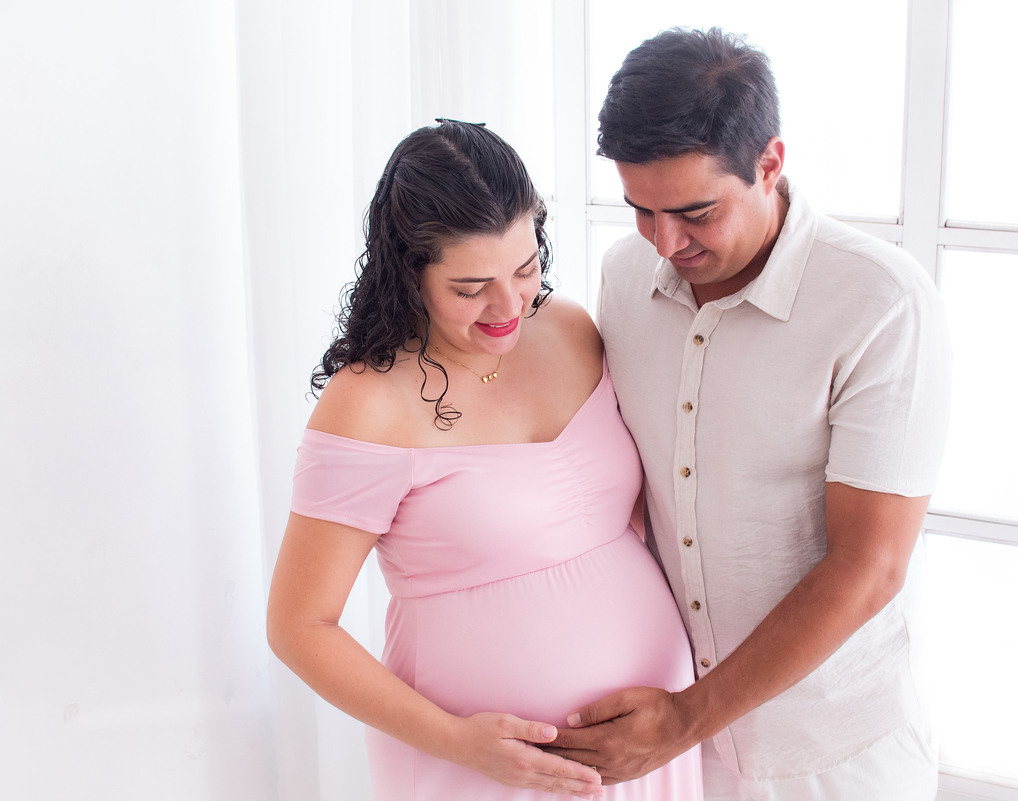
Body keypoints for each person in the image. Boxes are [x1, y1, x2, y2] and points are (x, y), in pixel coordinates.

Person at [545, 28, 953, 801]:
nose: (665, 241)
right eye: (641, 210)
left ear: (770, 163)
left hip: (834, 756)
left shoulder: (881, 302)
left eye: (695, 211)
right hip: (670, 742)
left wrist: (683, 719)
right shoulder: (625, 275)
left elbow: (870, 567)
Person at [266, 120, 703, 801]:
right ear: (409, 274)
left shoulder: (569, 329)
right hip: (478, 767)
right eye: (470, 288)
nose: (508, 306)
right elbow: (298, 627)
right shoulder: (367, 403)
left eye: (525, 269)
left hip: (646, 740)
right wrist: (460, 742)